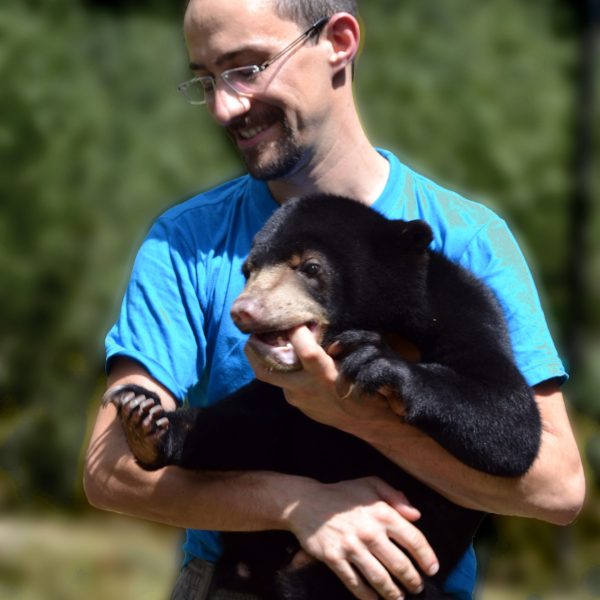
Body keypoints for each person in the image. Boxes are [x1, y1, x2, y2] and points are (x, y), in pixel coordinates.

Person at [83, 1, 585, 599]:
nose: (224, 106)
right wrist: (299, 507)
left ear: (340, 42)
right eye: (205, 78)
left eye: (247, 68)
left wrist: (357, 414)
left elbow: (557, 491)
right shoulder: (185, 242)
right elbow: (107, 472)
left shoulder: (466, 240)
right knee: (261, 408)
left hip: (409, 587)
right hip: (237, 580)